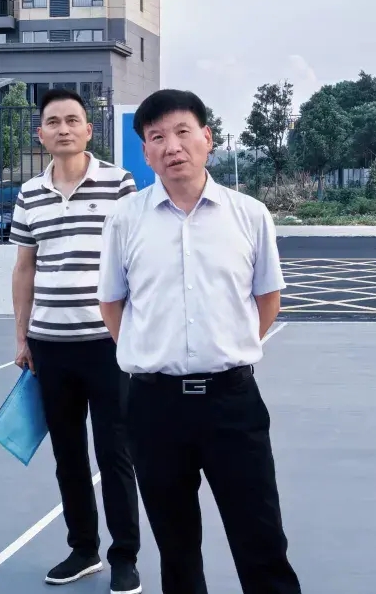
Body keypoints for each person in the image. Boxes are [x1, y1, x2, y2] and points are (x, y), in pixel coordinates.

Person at [96, 88, 302, 594]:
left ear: (207, 138)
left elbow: (268, 298)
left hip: (232, 402)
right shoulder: (125, 219)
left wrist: (227, 347)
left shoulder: (249, 215)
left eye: (183, 132)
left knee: (261, 540)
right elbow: (112, 304)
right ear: (145, 152)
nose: (172, 146)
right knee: (177, 548)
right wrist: (150, 354)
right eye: (157, 137)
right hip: (155, 406)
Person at [10, 88, 142, 594]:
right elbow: (25, 269)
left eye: (72, 120)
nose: (63, 128)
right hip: (50, 346)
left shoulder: (118, 183)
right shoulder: (29, 194)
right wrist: (22, 336)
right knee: (68, 456)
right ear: (40, 134)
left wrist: (133, 331)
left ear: (88, 130)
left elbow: (136, 259)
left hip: (108, 345)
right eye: (53, 121)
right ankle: (83, 549)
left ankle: (124, 556)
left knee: (115, 453)